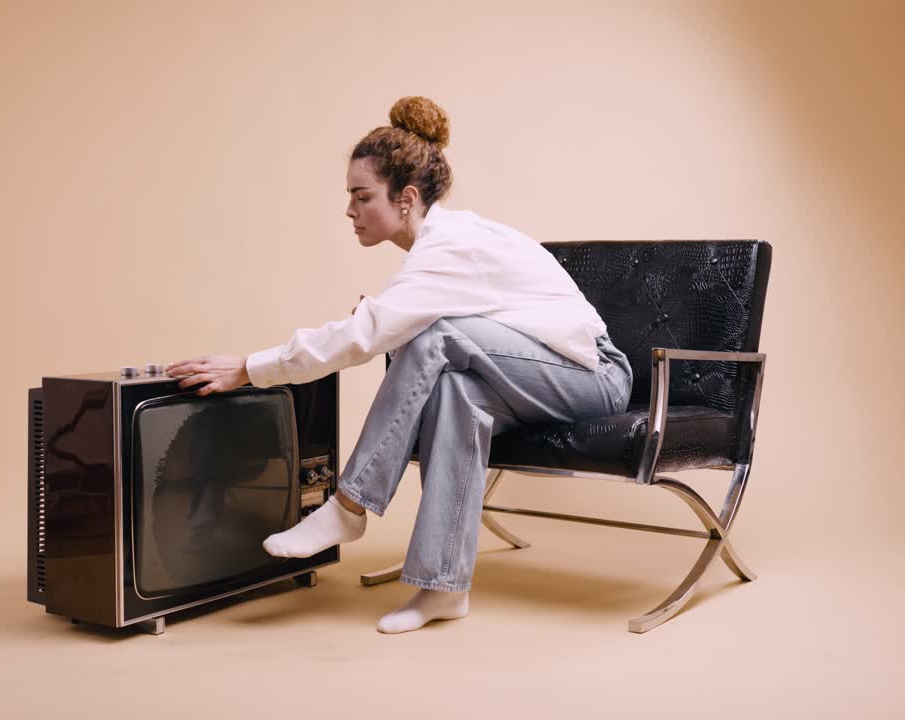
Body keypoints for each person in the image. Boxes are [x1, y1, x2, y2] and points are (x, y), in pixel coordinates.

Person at [165, 96, 633, 634]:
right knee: (460, 395)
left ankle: (349, 504)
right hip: (533, 375)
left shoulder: (452, 246)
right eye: (350, 197)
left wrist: (249, 367)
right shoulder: (436, 253)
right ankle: (441, 587)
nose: (350, 211)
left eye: (362, 197)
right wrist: (381, 320)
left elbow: (367, 336)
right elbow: (394, 326)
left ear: (406, 198)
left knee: (434, 334)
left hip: (595, 376)